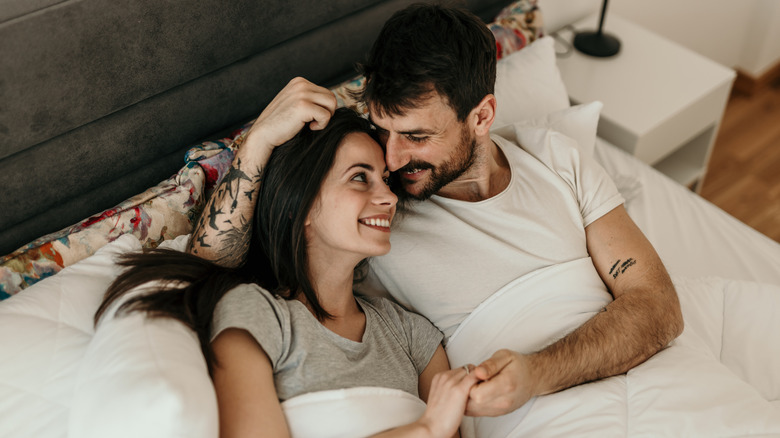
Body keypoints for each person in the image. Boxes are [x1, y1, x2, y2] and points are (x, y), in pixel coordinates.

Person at [188, 3, 684, 420]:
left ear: (483, 116)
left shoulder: (555, 158)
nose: (393, 158)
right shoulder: (374, 214)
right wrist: (255, 145)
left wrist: (539, 372)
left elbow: (659, 306)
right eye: (383, 130)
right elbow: (206, 274)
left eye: (418, 137)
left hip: (668, 388)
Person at [96, 108, 480, 438]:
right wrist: (426, 429)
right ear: (302, 206)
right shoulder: (258, 315)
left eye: (385, 179)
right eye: (360, 177)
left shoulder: (411, 334)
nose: (389, 196)